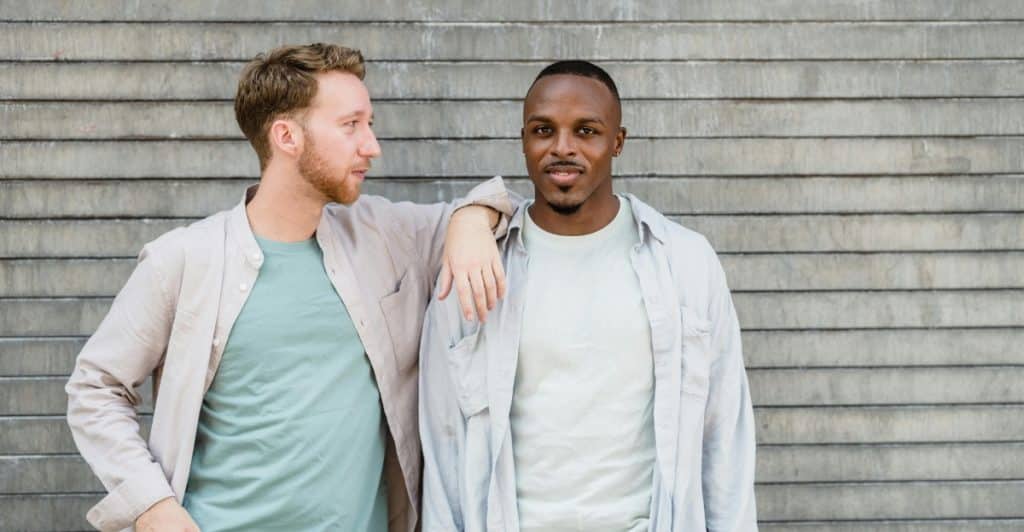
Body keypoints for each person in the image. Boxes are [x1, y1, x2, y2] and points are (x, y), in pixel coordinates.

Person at [66, 43, 513, 532]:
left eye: (370, 124)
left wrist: (470, 221)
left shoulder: (385, 237)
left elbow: (498, 201)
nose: (372, 145)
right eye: (351, 125)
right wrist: (152, 507)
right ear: (286, 136)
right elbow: (96, 388)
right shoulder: (185, 259)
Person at [419, 60, 758, 531]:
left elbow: (725, 438)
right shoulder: (475, 269)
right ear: (523, 140)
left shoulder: (685, 262)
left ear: (617, 141)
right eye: (543, 130)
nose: (563, 148)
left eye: (586, 131)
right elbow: (442, 445)